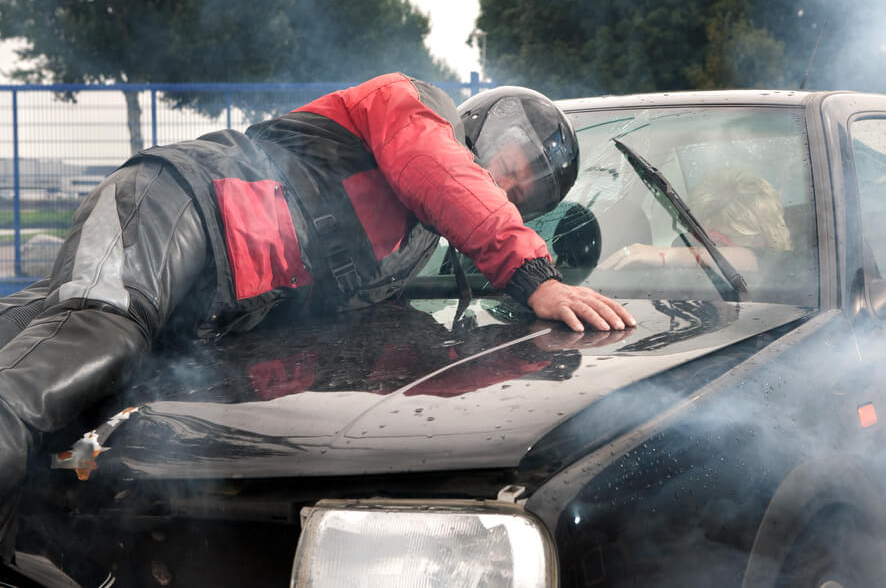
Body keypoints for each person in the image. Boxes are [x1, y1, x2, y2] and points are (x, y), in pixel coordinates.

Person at [0, 73, 634, 559]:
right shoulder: (414, 106)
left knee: (38, 330)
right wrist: (530, 273)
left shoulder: (405, 249)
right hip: (182, 203)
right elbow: (439, 171)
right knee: (93, 337)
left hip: (207, 306)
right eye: (514, 161)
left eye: (524, 193)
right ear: (481, 123)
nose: (509, 184)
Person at [598, 168, 792, 271]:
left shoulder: (790, 269)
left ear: (759, 239)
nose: (703, 248)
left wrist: (669, 256)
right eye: (699, 238)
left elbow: (756, 260)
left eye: (717, 242)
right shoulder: (685, 252)